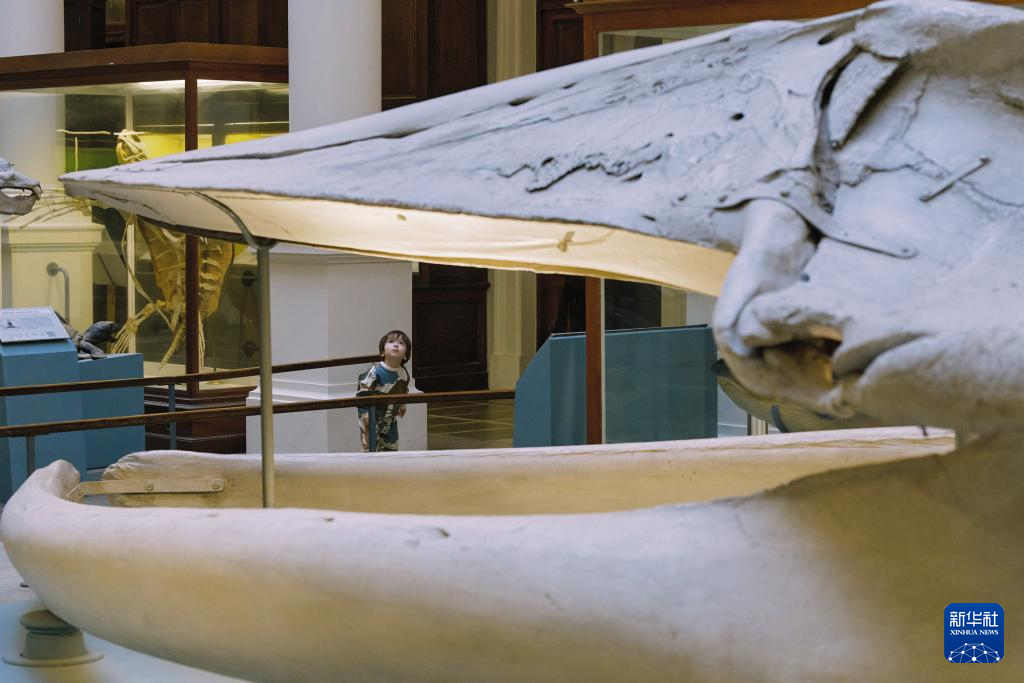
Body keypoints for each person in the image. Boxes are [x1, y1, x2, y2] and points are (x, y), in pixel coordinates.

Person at [357, 330, 412, 452]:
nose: (396, 345)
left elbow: (404, 390)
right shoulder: (375, 371)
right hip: (371, 417)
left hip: (390, 418)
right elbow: (362, 395)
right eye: (391, 341)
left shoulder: (403, 372)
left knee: (391, 446)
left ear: (406, 355)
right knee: (371, 448)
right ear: (382, 352)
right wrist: (366, 417)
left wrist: (402, 405)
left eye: (401, 343)